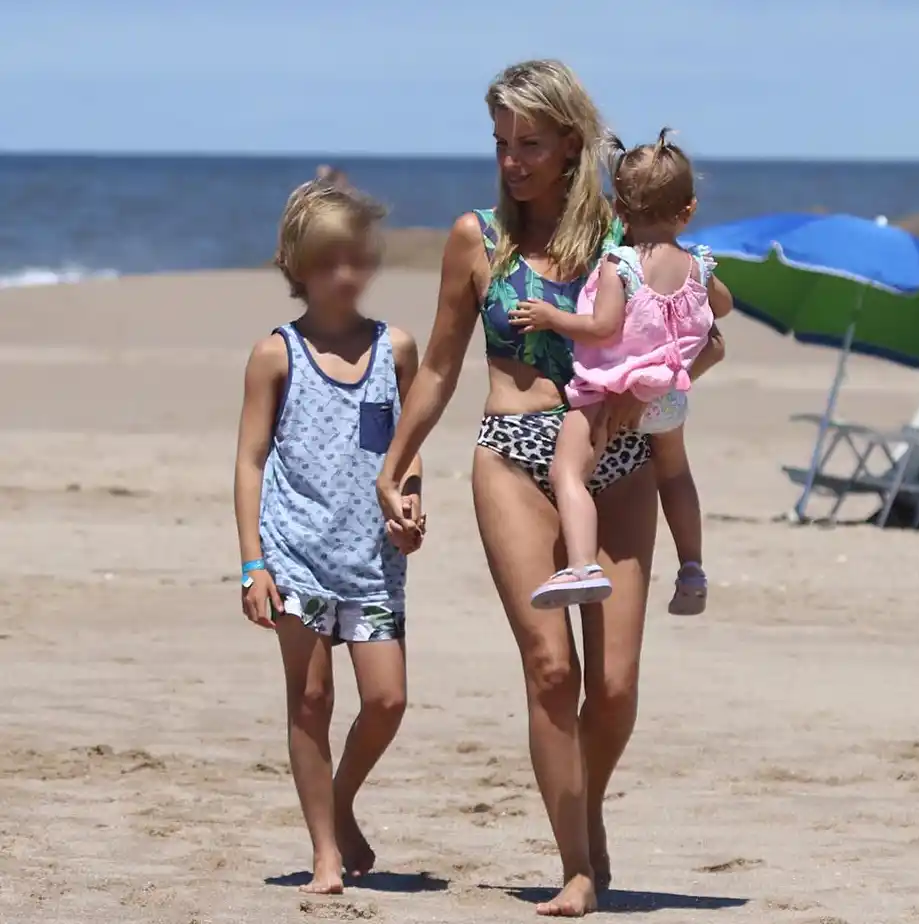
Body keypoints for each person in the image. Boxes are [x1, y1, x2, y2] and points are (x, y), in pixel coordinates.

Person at [375, 59, 724, 917]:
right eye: (500, 142)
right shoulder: (477, 239)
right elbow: (441, 366)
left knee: (615, 685)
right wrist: (396, 464)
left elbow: (708, 328)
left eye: (529, 143)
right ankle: (576, 864)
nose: (511, 160)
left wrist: (644, 392)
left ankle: (585, 807)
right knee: (548, 669)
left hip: (619, 461)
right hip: (509, 453)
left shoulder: (624, 234)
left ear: (571, 143)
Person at [233, 180, 425, 895]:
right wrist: (253, 564)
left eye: (356, 258)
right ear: (296, 265)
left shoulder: (395, 349)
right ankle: (324, 853)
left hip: (372, 558)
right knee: (310, 700)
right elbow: (250, 461)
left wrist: (411, 506)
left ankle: (338, 803)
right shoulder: (275, 354)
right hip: (295, 554)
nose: (345, 274)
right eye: (327, 261)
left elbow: (407, 449)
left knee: (387, 699)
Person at [511, 130, 732, 612]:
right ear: (689, 210)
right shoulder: (699, 265)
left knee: (568, 470)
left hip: (607, 394)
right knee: (675, 475)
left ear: (619, 210)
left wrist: (551, 317)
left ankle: (582, 564)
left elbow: (601, 327)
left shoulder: (621, 264)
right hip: (667, 398)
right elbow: (723, 307)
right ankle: (692, 568)